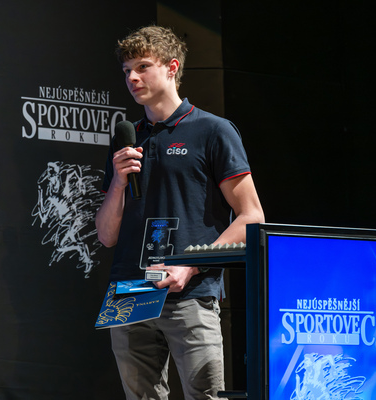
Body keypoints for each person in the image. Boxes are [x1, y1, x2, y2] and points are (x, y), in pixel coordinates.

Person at [95, 25, 265, 400]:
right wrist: (119, 183)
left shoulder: (212, 130)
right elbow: (106, 236)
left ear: (172, 67)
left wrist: (191, 265)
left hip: (190, 292)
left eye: (143, 67)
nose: (132, 78)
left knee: (205, 396)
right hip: (130, 291)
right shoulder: (126, 139)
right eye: (126, 70)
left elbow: (251, 217)